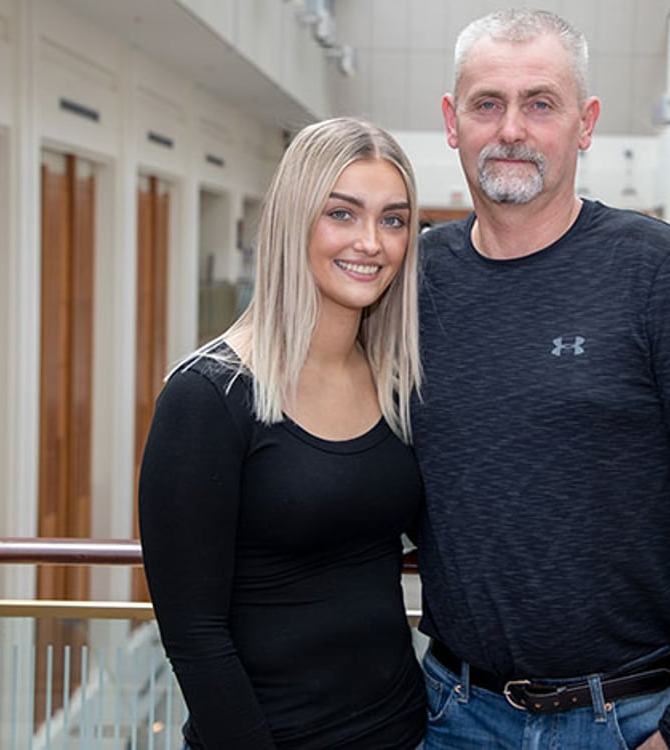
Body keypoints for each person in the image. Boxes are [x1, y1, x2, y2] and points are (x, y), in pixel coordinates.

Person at [411, 9, 670, 749]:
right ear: (453, 122)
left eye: (540, 103)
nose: (511, 128)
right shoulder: (416, 279)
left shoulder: (659, 271)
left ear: (585, 123)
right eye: (488, 104)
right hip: (451, 712)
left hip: (631, 720)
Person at [138, 117, 426, 749]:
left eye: (394, 219)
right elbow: (195, 638)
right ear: (294, 221)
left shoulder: (395, 381)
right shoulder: (208, 396)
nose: (372, 242)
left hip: (406, 730)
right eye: (343, 214)